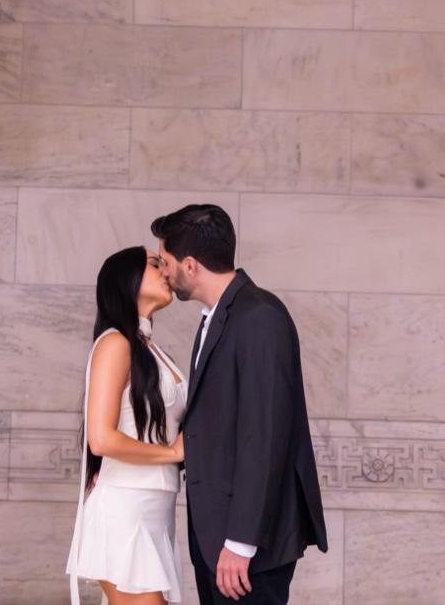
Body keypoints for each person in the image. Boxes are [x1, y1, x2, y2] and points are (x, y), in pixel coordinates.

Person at [151, 204, 327, 604]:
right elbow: (211, 427)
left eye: (166, 262)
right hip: (215, 536)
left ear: (190, 266)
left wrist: (241, 543)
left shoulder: (259, 316)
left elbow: (264, 435)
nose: (164, 273)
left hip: (247, 547)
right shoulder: (216, 317)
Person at [67, 246, 188, 604]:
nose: (165, 270)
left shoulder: (150, 349)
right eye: (154, 264)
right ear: (127, 279)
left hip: (155, 509)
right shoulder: (115, 343)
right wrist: (173, 453)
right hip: (124, 509)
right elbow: (101, 439)